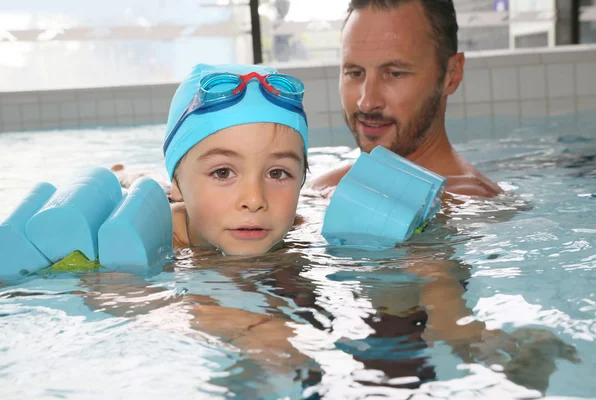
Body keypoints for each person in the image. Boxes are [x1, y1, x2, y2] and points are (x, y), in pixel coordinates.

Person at [309, 0, 503, 198]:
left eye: (394, 73)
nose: (366, 102)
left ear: (451, 75)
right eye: (355, 73)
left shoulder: (478, 209)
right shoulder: (318, 193)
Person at [158, 63, 309, 256]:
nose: (254, 200)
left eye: (277, 173)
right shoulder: (157, 242)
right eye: (223, 173)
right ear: (177, 184)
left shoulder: (303, 230)